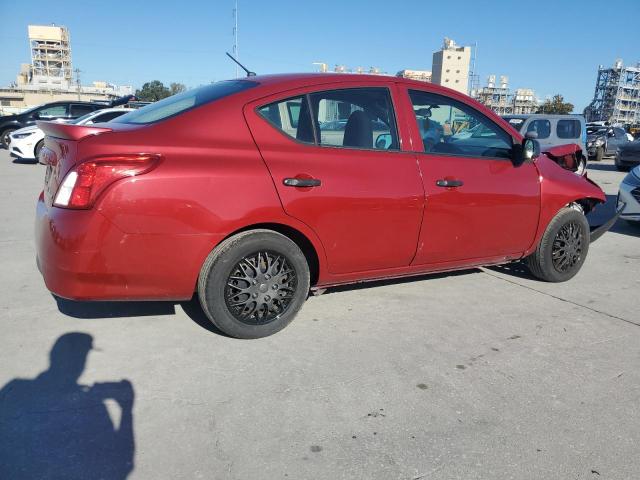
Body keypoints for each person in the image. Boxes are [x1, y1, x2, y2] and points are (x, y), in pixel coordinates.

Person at [0, 333, 135, 479]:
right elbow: (121, 466)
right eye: (82, 357)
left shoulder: (15, 389)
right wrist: (126, 409)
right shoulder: (93, 405)